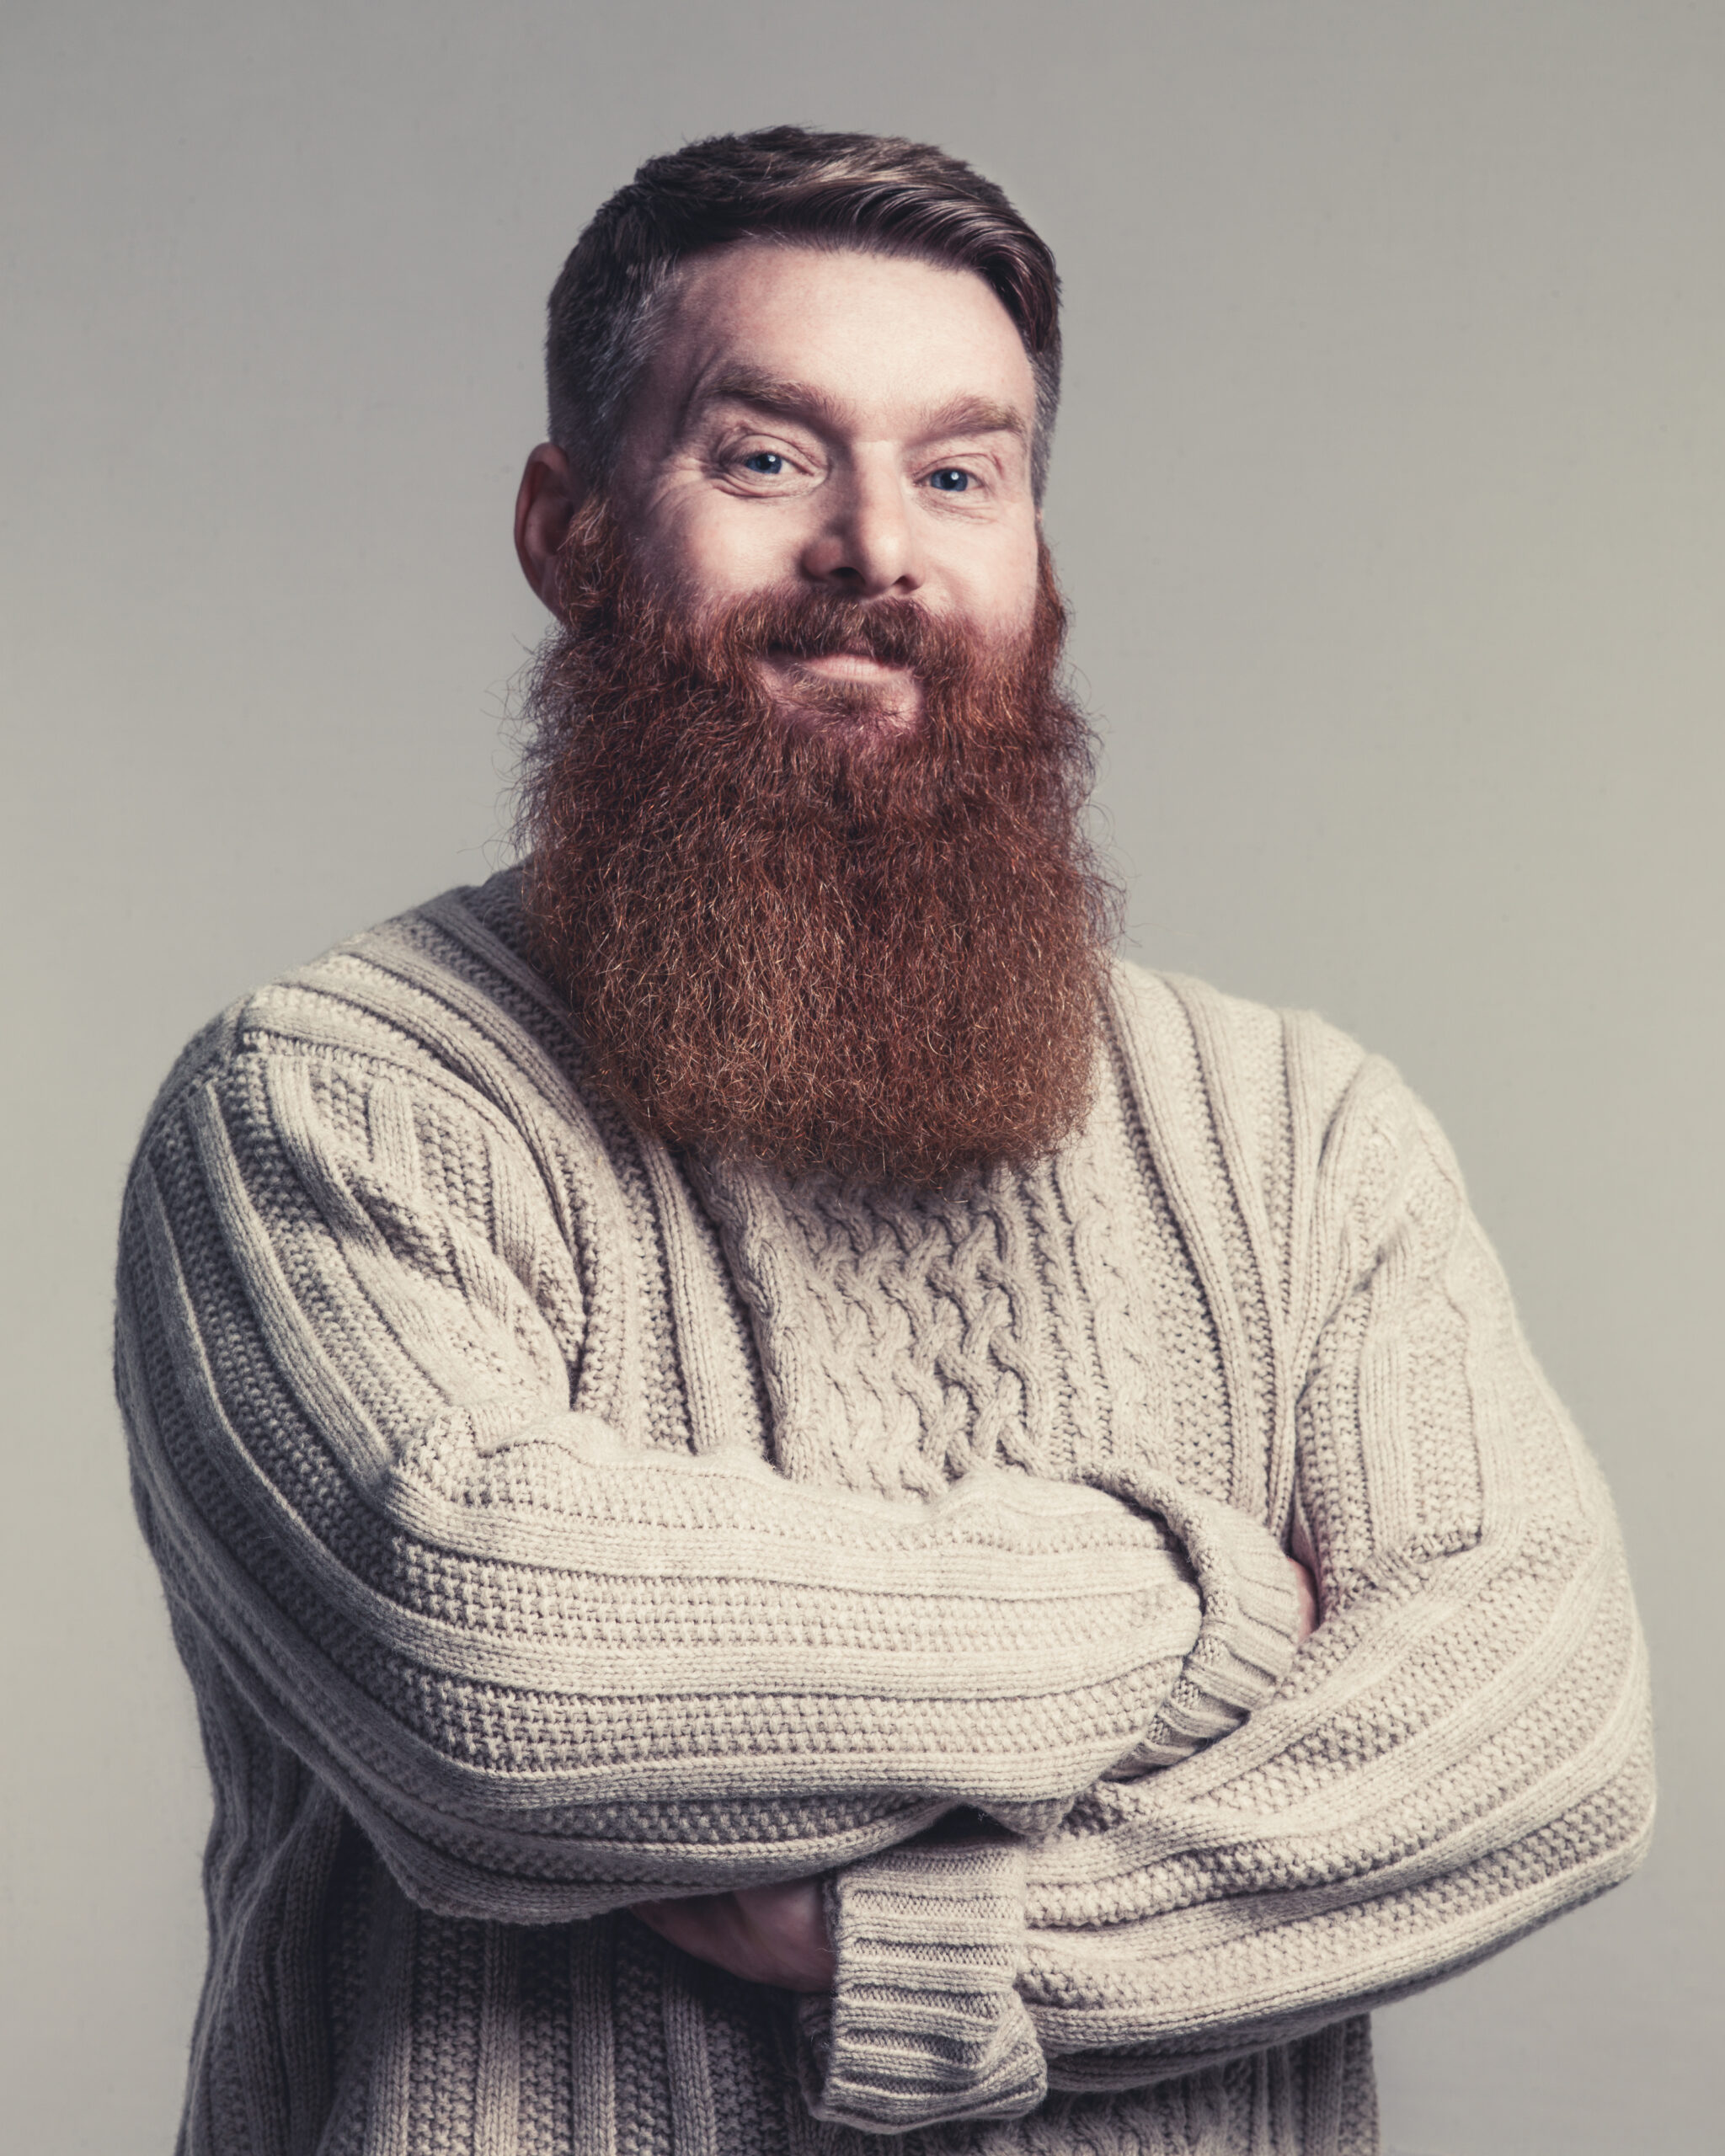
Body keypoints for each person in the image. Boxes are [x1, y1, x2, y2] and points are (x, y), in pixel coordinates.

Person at [115, 127, 1653, 2156]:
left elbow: (1534, 1738)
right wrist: (1201, 1592)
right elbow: (491, 1664)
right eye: (766, 459)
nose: (877, 549)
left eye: (959, 471)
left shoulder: (1301, 1135)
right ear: (568, 532)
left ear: (1035, 548)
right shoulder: (330, 1097)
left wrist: (925, 1949)